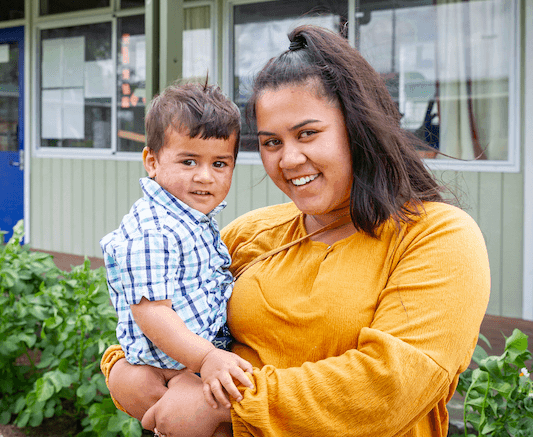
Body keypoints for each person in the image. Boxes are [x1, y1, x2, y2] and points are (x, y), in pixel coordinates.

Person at [101, 24, 491, 437]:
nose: (288, 159)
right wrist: (120, 369)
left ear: (357, 129)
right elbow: (161, 311)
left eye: (307, 133)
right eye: (271, 143)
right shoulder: (248, 232)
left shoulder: (438, 237)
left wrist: (224, 406)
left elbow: (389, 388)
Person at [99, 81, 254, 434]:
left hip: (188, 360)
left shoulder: (188, 218)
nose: (204, 176)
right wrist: (205, 359)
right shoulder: (155, 229)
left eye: (219, 163)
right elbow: (152, 311)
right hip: (173, 365)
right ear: (152, 161)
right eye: (188, 161)